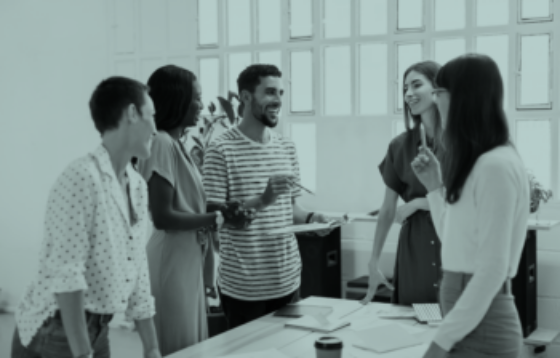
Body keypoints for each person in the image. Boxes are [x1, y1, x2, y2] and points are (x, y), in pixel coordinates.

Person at [11, 76, 162, 358]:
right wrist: (83, 354)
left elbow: (138, 268)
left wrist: (151, 347)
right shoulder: (81, 178)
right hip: (54, 328)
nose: (155, 128)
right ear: (132, 113)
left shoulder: (138, 186)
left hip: (97, 328)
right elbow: (67, 276)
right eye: (151, 115)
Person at [411, 54, 529, 357]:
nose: (435, 102)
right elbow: (453, 242)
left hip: (482, 328)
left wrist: (439, 343)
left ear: (463, 98)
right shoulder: (482, 162)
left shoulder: (495, 166)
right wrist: (435, 188)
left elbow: (492, 270)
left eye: (439, 93)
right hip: (469, 320)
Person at [202, 64, 332, 329]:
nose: (278, 100)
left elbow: (290, 208)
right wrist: (263, 199)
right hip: (243, 288)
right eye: (270, 92)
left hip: (287, 280)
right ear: (246, 97)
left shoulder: (287, 146)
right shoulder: (220, 149)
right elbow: (212, 218)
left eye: (281, 93)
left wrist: (311, 218)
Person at [135, 65, 252, 356]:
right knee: (176, 348)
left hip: (187, 258)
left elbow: (186, 204)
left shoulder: (177, 144)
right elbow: (163, 216)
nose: (202, 105)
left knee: (193, 346)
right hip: (170, 261)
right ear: (176, 99)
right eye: (196, 98)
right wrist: (219, 217)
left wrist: (221, 207)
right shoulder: (161, 142)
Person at [361, 61, 444, 306]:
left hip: (451, 239)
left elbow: (467, 197)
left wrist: (420, 202)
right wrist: (373, 261)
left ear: (438, 89)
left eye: (416, 85)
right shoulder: (399, 146)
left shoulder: (463, 140)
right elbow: (388, 209)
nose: (408, 94)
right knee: (411, 320)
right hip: (414, 248)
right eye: (405, 88)